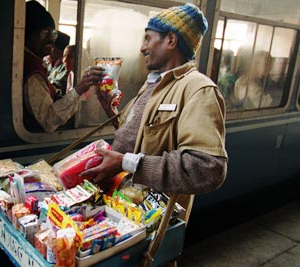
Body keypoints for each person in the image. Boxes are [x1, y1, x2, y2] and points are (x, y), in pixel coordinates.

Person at [81, 4, 228, 205]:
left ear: (170, 40)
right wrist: (109, 109)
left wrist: (126, 163)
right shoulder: (153, 83)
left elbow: (207, 168)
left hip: (152, 215)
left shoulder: (198, 89)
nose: (142, 48)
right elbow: (140, 136)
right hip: (123, 204)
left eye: (148, 39)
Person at [23, 0, 103, 132]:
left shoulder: (34, 63)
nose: (50, 39)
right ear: (28, 35)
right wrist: (79, 89)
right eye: (44, 32)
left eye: (52, 33)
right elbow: (48, 120)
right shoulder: (32, 71)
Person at [45, 31, 71, 97]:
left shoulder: (66, 66)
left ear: (60, 50)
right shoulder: (46, 61)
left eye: (52, 46)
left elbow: (57, 86)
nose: (48, 48)